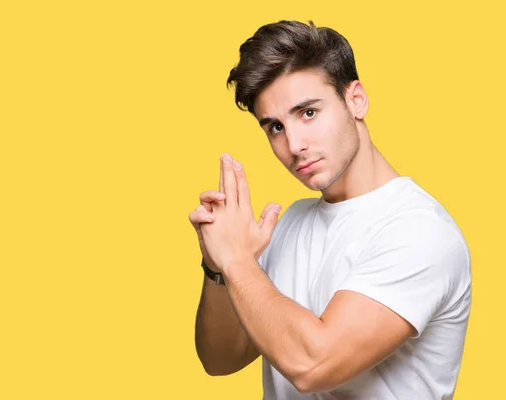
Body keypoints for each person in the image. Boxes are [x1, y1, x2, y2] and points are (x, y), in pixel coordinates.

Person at [188, 20, 472, 399]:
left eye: (307, 113)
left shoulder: (419, 231)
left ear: (355, 99)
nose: (294, 144)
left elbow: (313, 365)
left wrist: (238, 262)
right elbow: (221, 359)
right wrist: (217, 267)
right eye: (274, 127)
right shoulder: (290, 223)